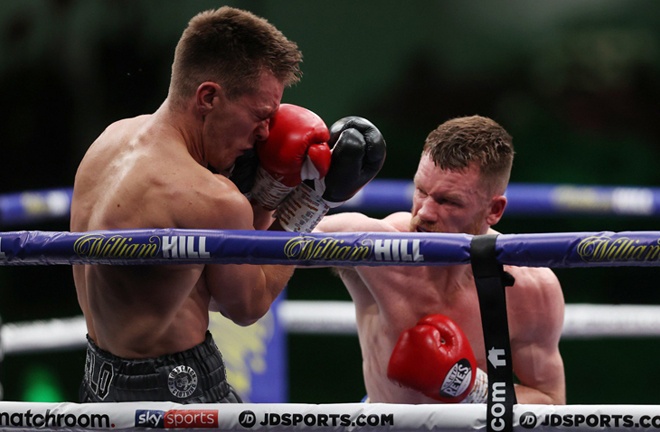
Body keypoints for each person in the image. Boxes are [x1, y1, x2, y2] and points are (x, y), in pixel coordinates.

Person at [70, 6, 386, 403]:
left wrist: (267, 193)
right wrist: (312, 200)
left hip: (97, 386)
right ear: (208, 97)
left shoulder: (108, 142)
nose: (267, 132)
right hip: (177, 390)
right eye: (260, 115)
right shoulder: (210, 197)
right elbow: (245, 304)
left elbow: (200, 280)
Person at [315, 115, 566, 404]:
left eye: (449, 201)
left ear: (494, 210)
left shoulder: (531, 288)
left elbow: (550, 402)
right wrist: (308, 193)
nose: (424, 214)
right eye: (421, 191)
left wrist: (472, 389)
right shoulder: (378, 245)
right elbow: (273, 244)